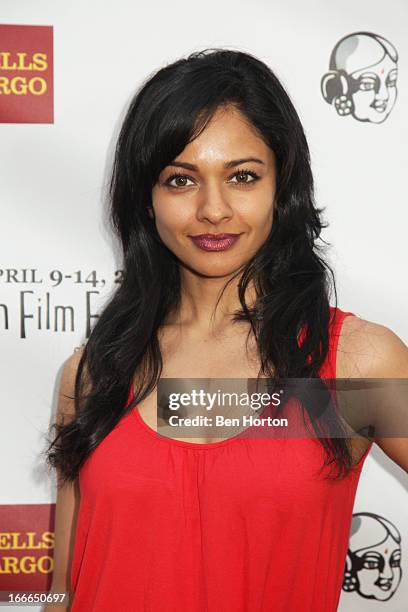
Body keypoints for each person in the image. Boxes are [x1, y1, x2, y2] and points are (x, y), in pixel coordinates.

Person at [44, 48, 408, 612]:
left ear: (281, 186)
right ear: (146, 199)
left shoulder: (356, 364)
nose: (214, 209)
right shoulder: (93, 375)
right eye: (181, 179)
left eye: (242, 176)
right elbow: (62, 595)